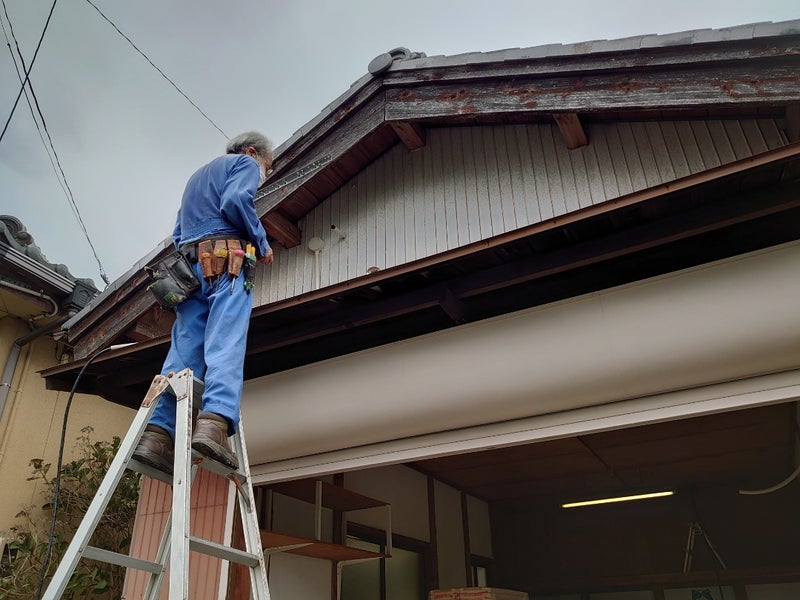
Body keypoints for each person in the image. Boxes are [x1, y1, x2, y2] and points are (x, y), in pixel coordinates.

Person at [132, 131, 275, 473]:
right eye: (268, 166)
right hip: (229, 260)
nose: (265, 173)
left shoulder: (195, 179)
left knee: (183, 351)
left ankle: (157, 435)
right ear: (253, 152)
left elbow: (179, 233)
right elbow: (237, 200)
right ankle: (215, 422)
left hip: (188, 270)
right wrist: (261, 241)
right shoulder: (244, 163)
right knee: (225, 338)